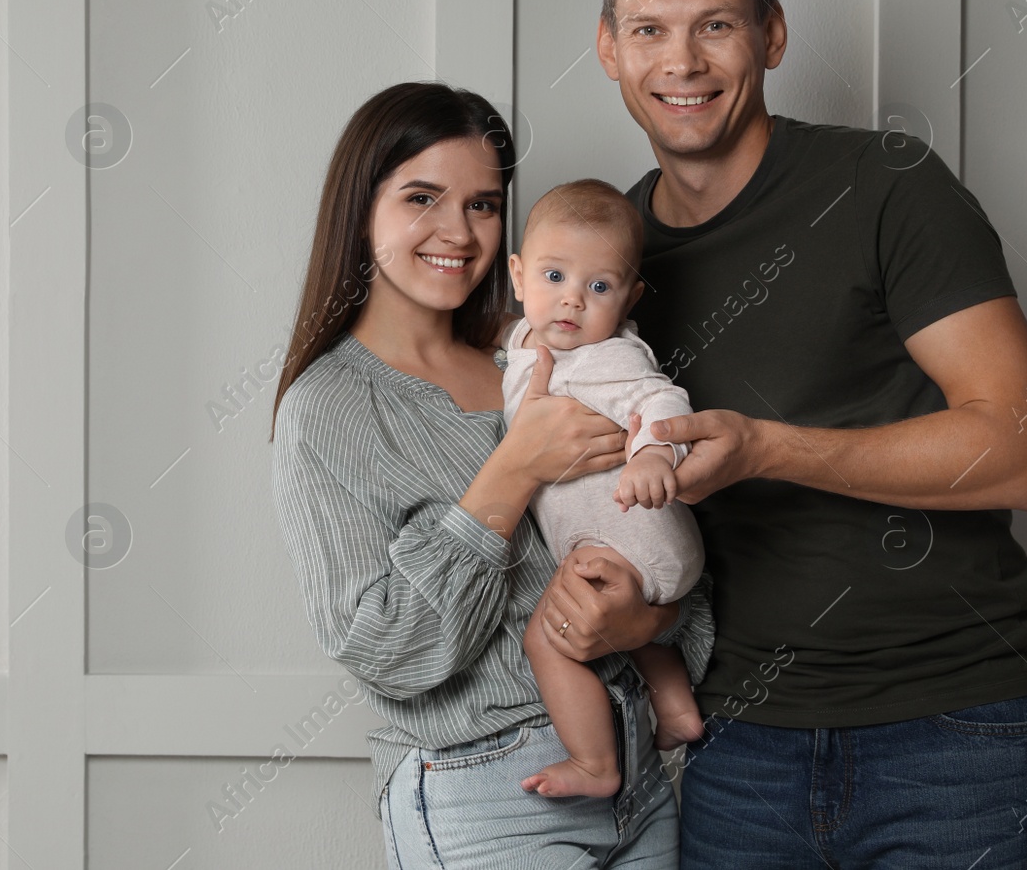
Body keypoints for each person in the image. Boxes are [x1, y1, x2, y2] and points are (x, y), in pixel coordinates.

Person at [590, 0, 1027, 866]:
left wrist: (769, 448)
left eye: (714, 25)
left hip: (947, 732)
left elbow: (1025, 454)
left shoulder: (888, 185)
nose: (680, 63)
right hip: (735, 747)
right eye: (650, 29)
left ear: (770, 34)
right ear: (609, 48)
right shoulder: (610, 259)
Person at [270, 81, 713, 867]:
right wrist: (510, 473)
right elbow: (385, 648)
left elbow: (657, 542)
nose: (457, 230)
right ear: (360, 208)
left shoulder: (551, 359)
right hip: (487, 793)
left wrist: (645, 626)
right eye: (421, 197)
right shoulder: (329, 408)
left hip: (640, 776)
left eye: (482, 203)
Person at [500, 179, 706, 799]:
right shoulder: (526, 344)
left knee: (550, 638)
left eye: (598, 287)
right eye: (554, 277)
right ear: (517, 276)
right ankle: (675, 707)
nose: (572, 302)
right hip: (624, 548)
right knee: (627, 626)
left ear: (629, 297)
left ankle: (596, 765)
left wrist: (650, 454)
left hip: (635, 531)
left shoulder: (606, 359)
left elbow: (663, 397)